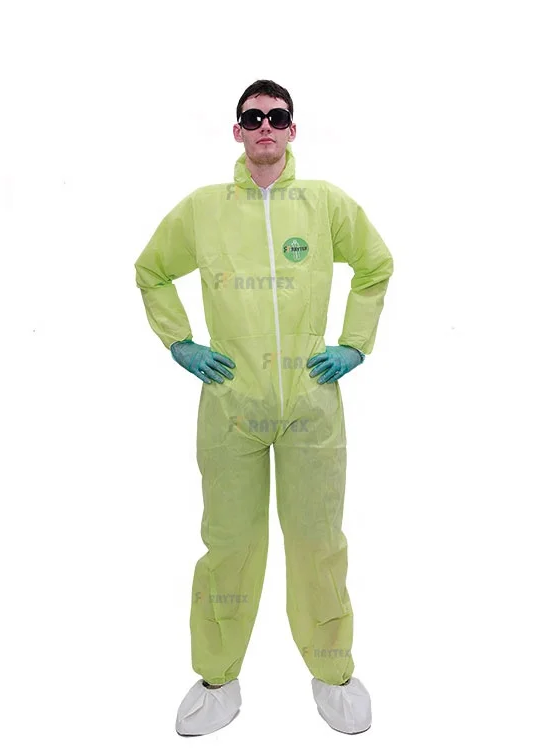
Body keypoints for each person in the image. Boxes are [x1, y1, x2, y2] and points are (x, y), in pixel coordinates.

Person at [134, 79, 393, 735]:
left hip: (311, 403)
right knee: (228, 545)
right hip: (232, 404)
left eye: (277, 117)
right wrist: (180, 343)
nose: (265, 127)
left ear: (293, 129)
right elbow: (151, 270)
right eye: (253, 118)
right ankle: (217, 679)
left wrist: (354, 345)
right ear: (238, 131)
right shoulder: (205, 209)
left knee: (318, 545)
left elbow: (375, 264)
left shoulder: (324, 204)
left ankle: (333, 674)